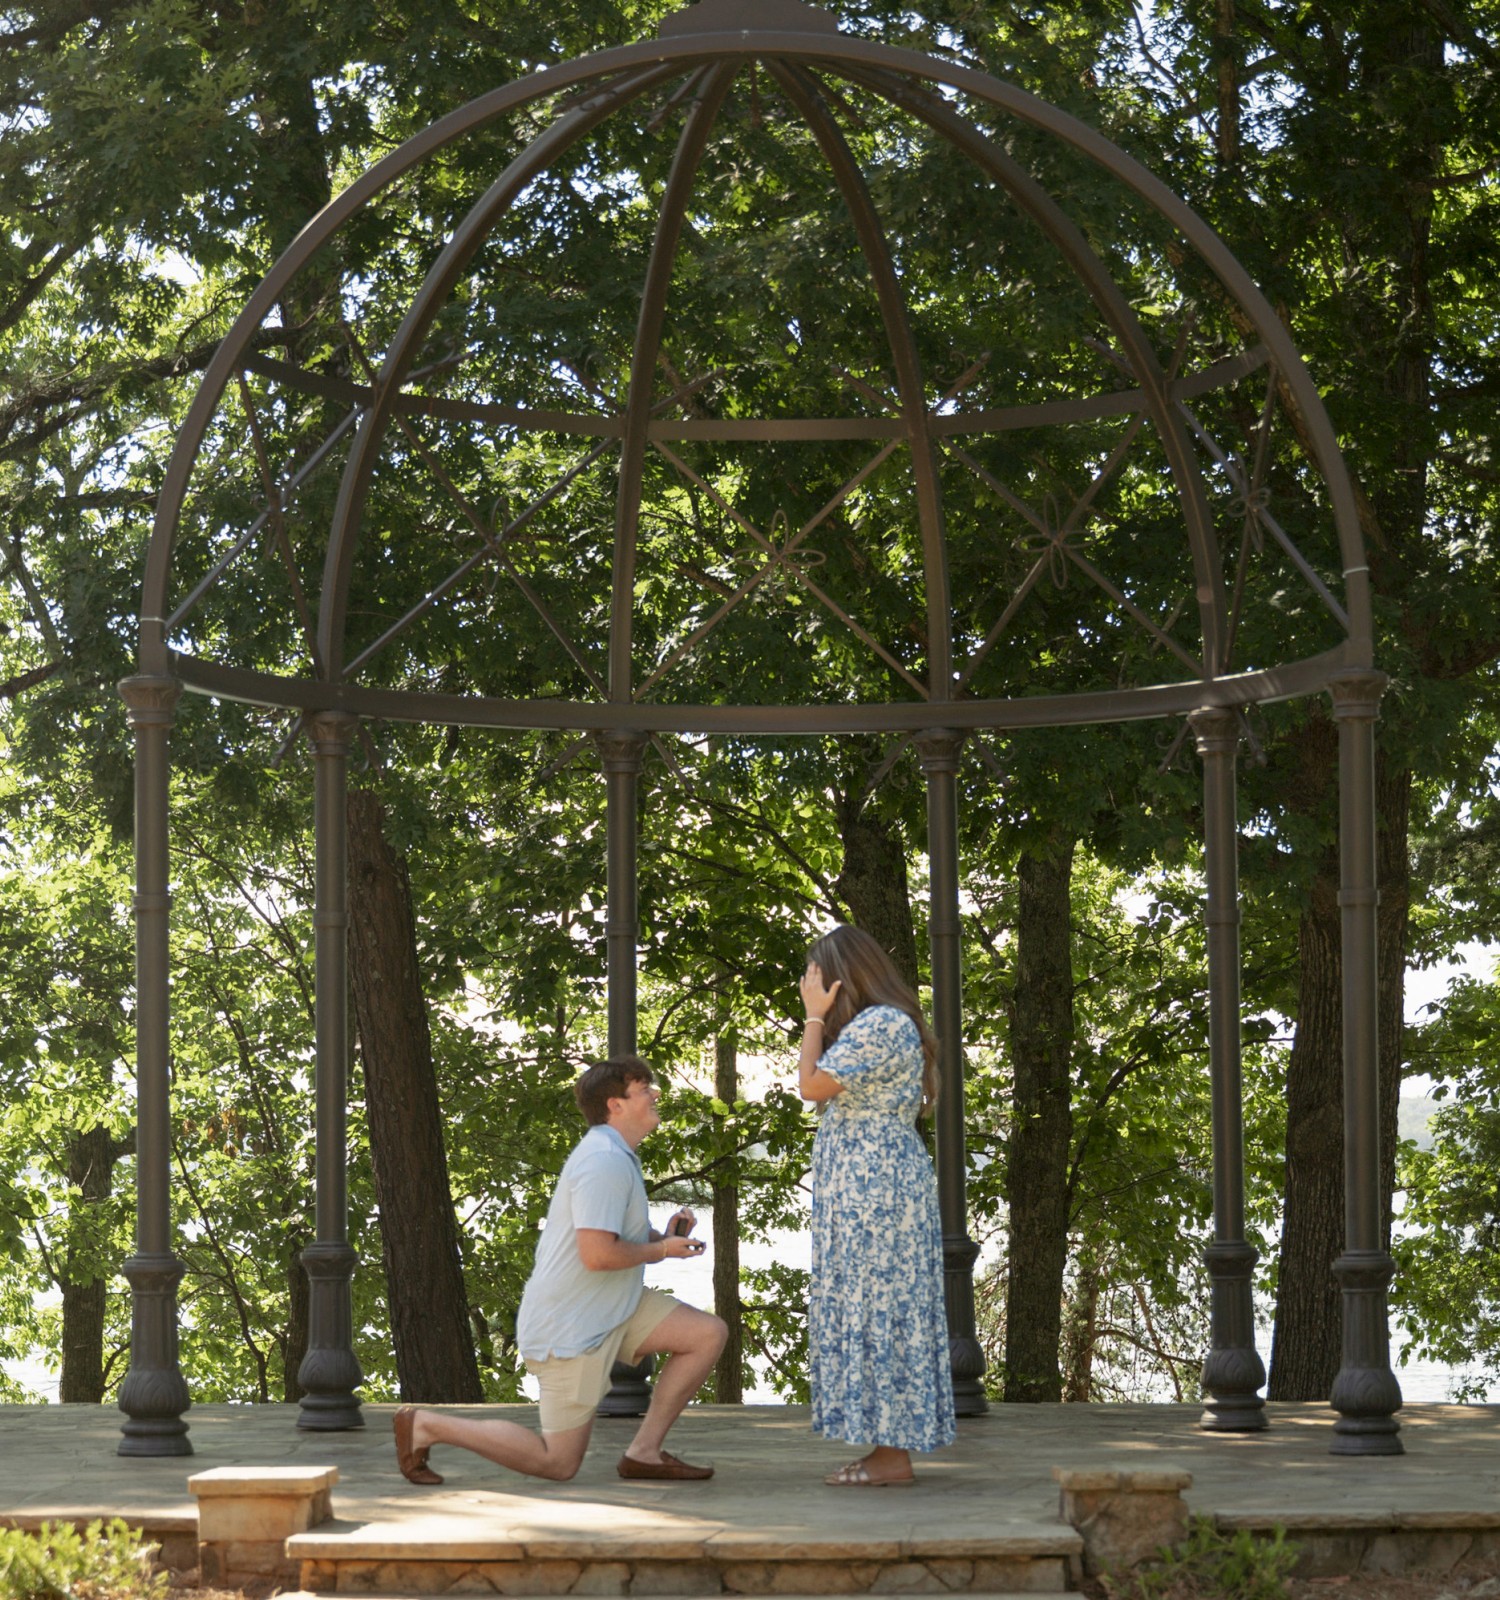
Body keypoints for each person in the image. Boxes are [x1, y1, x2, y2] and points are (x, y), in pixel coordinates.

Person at [393, 1056, 727, 1486]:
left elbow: (612, 1236)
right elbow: (597, 1255)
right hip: (570, 1325)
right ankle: (426, 1426)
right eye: (645, 1089)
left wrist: (664, 1237)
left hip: (612, 1308)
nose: (656, 1094)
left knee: (705, 1334)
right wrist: (661, 1249)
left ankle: (644, 1452)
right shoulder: (602, 1161)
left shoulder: (618, 1156)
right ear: (616, 1105)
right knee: (558, 1463)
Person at [796, 924, 956, 1487]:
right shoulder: (877, 1025)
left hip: (877, 1191)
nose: (809, 987)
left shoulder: (882, 1023)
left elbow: (811, 1086)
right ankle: (887, 1448)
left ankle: (892, 1456)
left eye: (817, 978)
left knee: (883, 1304)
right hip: (868, 1187)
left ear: (842, 978)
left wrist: (814, 1016)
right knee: (874, 1301)